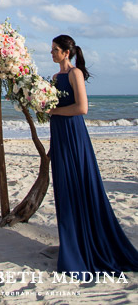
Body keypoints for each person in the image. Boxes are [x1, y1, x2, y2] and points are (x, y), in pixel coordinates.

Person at [49, 34, 138, 279]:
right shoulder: (55, 78)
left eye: (55, 49)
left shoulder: (75, 74)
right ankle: (72, 245)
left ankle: (82, 249)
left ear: (66, 52)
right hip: (58, 135)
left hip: (73, 134)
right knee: (64, 190)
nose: (52, 53)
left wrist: (52, 110)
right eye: (52, 49)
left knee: (78, 187)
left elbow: (82, 108)